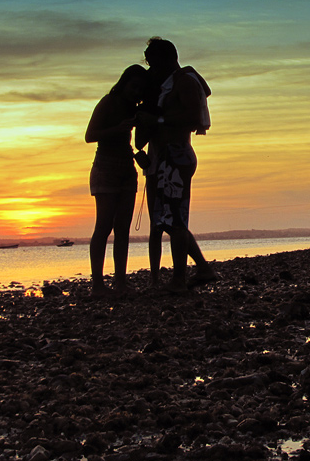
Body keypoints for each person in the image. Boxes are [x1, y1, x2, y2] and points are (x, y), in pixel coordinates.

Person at [135, 38, 216, 292]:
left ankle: (179, 280)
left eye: (153, 61)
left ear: (167, 58)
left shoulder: (184, 81)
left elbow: (192, 117)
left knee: (175, 221)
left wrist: (156, 119)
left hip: (176, 156)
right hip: (163, 157)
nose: (150, 67)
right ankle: (201, 269)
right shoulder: (167, 84)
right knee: (164, 220)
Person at [85, 64, 147, 297]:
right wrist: (118, 128)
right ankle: (97, 285)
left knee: (122, 228)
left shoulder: (134, 107)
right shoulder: (108, 102)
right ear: (124, 83)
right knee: (104, 226)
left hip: (126, 168)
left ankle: (120, 282)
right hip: (106, 167)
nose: (136, 92)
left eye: (140, 89)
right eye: (133, 86)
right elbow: (90, 136)